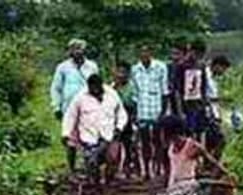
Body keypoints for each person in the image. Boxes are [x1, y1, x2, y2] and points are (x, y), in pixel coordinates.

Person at [61, 74, 126, 183]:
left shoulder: (112, 95)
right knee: (92, 165)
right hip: (89, 138)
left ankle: (109, 178)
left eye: (97, 87)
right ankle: (94, 181)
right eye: (92, 88)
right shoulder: (80, 97)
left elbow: (121, 113)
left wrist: (119, 127)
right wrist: (66, 133)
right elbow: (70, 116)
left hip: (108, 136)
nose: (95, 90)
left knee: (112, 158)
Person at [50, 38, 99, 174]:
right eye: (74, 49)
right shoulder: (63, 68)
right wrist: (56, 106)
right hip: (69, 109)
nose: (77, 51)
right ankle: (72, 169)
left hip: (88, 108)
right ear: (70, 51)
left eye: (80, 48)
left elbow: (97, 85)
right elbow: (56, 88)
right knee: (70, 139)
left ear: (84, 50)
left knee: (89, 137)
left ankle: (89, 167)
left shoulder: (92, 67)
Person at [129, 44, 169, 180]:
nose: (144, 55)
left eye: (147, 52)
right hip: (143, 110)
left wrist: (163, 112)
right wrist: (135, 113)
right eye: (142, 52)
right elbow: (135, 93)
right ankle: (146, 169)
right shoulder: (135, 70)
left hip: (156, 109)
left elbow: (165, 91)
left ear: (151, 53)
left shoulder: (160, 67)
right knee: (144, 142)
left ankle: (158, 168)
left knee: (158, 141)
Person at [112, 62, 139, 178]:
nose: (120, 75)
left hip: (128, 117)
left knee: (129, 145)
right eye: (118, 72)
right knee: (115, 144)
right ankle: (115, 170)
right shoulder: (112, 87)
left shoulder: (132, 87)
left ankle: (130, 168)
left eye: (123, 72)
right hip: (115, 119)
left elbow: (133, 102)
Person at [205, 55, 232, 158]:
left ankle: (210, 163)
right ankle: (211, 164)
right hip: (207, 114)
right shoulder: (205, 76)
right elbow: (204, 97)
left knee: (213, 142)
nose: (223, 72)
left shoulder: (212, 78)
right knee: (219, 140)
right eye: (223, 69)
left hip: (213, 114)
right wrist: (220, 99)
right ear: (217, 66)